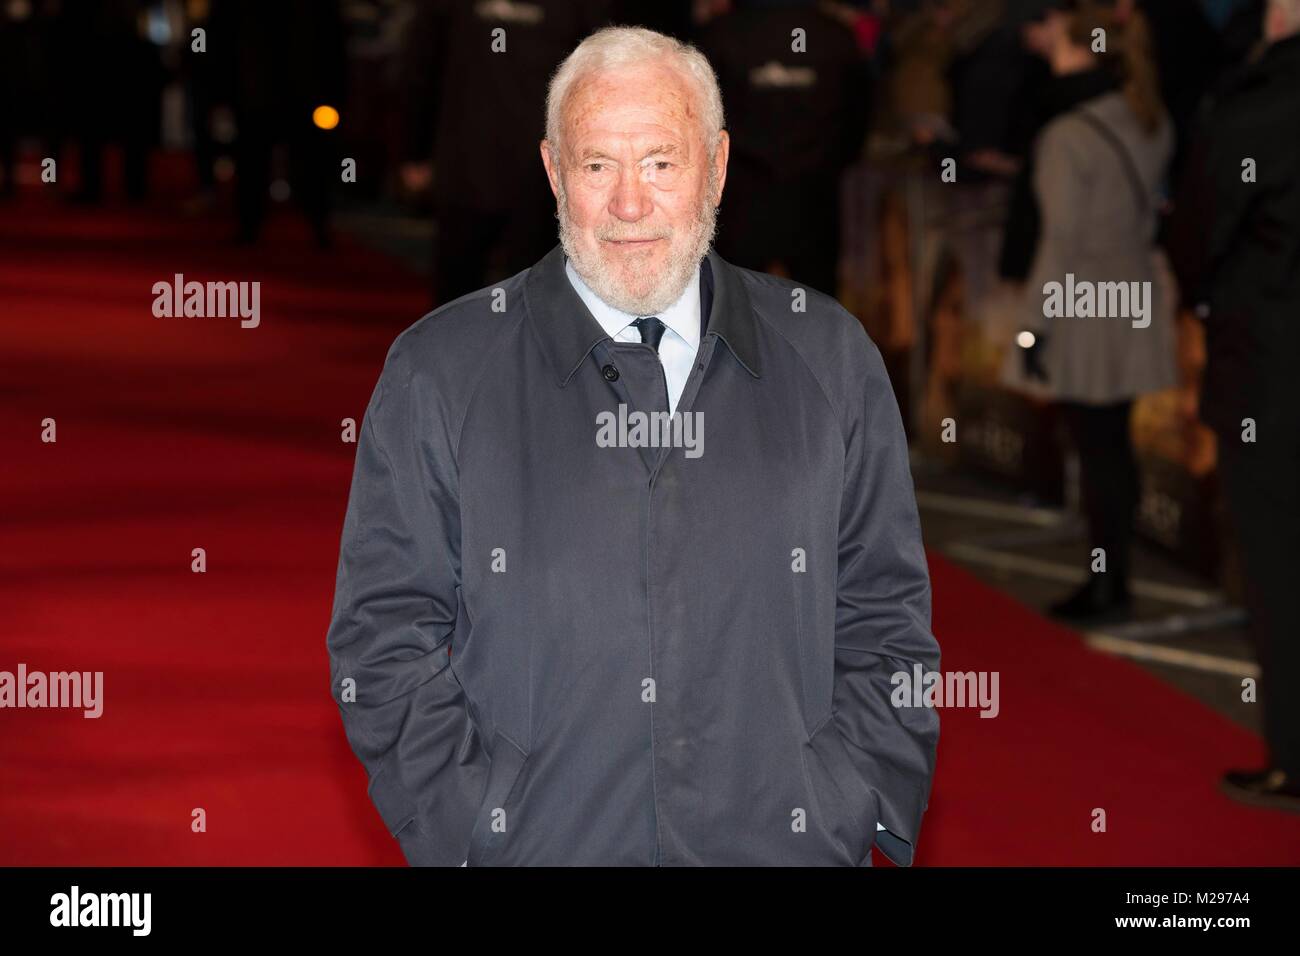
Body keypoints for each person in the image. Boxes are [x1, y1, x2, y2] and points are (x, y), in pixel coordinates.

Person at [326, 26, 940, 866]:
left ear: (716, 167)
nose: (627, 203)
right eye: (596, 166)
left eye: (660, 161)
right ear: (553, 172)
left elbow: (887, 616)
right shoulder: (440, 370)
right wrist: (474, 822)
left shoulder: (830, 358)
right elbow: (381, 635)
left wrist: (845, 800)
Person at [1168, 0, 1300, 813]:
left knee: (1281, 573)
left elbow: (1198, 235)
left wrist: (1216, 299)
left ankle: (1294, 755)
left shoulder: (1256, 103)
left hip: (1273, 375)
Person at [1017, 0, 1176, 622]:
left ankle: (1107, 582)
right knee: (1115, 443)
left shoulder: (1066, 136)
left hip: (1083, 300)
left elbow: (1058, 242)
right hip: (1133, 291)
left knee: (1096, 445)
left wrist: (1033, 329)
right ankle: (1116, 575)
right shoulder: (1151, 119)